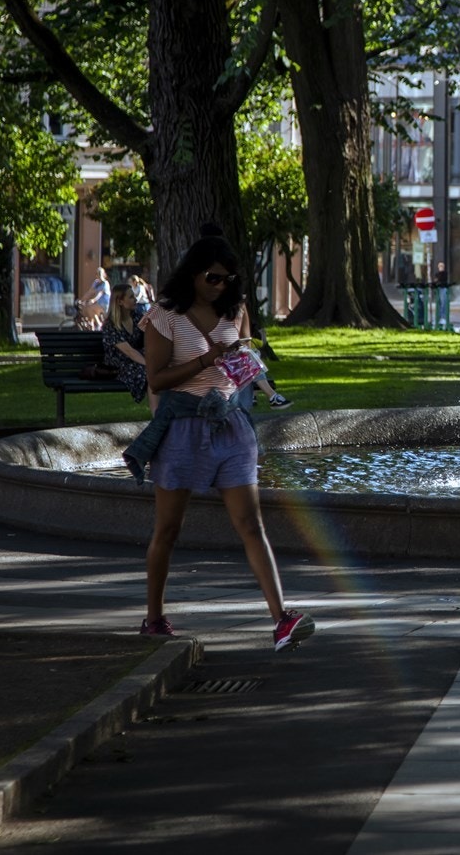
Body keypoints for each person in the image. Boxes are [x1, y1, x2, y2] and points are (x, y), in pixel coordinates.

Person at [125, 234, 313, 651]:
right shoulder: (164, 315)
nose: (221, 286)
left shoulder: (236, 310)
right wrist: (207, 360)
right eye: (213, 278)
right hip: (184, 428)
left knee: (251, 525)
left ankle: (281, 620)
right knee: (168, 529)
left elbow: (240, 366)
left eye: (229, 279)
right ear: (193, 274)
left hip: (231, 427)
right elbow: (156, 379)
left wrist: (254, 375)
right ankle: (153, 618)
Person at [102, 283, 154, 411]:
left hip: (137, 359)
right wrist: (150, 364)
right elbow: (128, 351)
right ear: (120, 301)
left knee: (162, 370)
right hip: (119, 364)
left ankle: (164, 415)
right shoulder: (111, 325)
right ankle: (157, 416)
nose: (135, 299)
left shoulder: (137, 317)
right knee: (151, 373)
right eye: (131, 297)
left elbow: (152, 337)